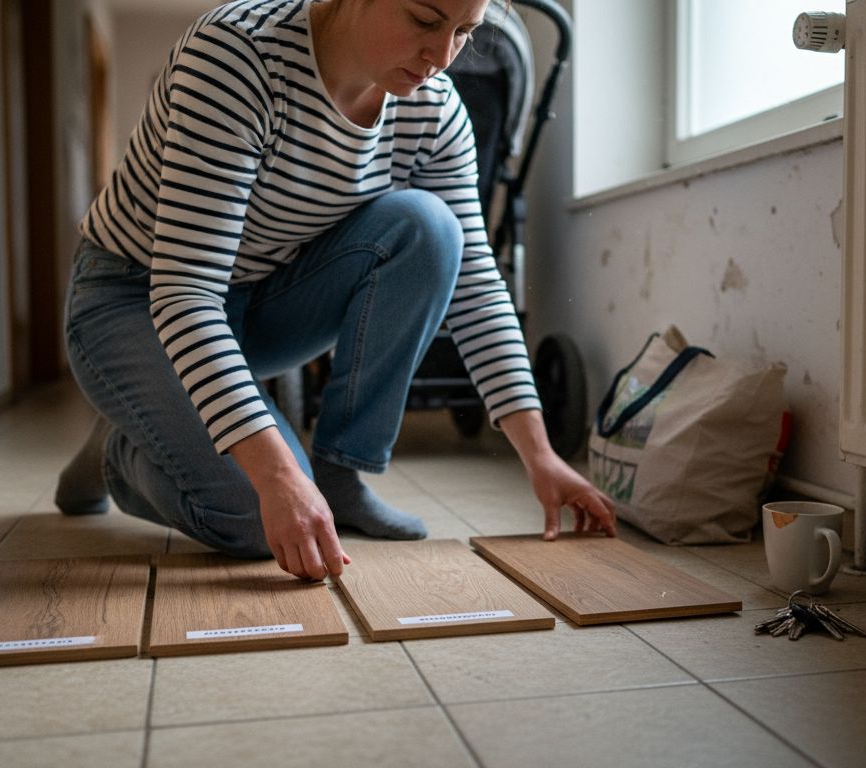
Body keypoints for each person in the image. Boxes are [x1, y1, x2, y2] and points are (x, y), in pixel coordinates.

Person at [55, 0, 615, 581]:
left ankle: (339, 475)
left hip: (262, 294)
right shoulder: (236, 56)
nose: (442, 57)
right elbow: (186, 294)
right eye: (425, 21)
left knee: (430, 227)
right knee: (254, 516)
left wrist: (541, 456)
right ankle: (123, 451)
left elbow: (475, 281)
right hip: (133, 300)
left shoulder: (435, 109)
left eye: (464, 33)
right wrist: (274, 479)